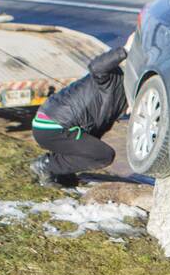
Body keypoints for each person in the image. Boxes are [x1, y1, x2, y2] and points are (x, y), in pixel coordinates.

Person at [29, 36, 132, 187]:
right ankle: (45, 165)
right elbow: (96, 66)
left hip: (55, 125)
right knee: (103, 155)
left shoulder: (123, 98)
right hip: (54, 126)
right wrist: (125, 50)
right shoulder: (114, 78)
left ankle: (58, 172)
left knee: (93, 146)